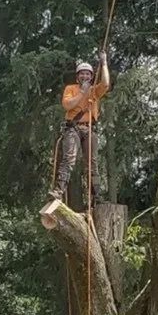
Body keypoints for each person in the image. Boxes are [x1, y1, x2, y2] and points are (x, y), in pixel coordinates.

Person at [51, 52, 110, 206]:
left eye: (87, 74)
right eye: (82, 74)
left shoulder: (95, 90)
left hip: (89, 128)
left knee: (92, 163)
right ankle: (59, 191)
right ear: (78, 77)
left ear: (91, 76)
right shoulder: (70, 89)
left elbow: (105, 84)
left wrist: (104, 63)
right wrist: (82, 92)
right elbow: (67, 105)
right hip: (73, 128)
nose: (85, 76)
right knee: (69, 158)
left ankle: (96, 196)